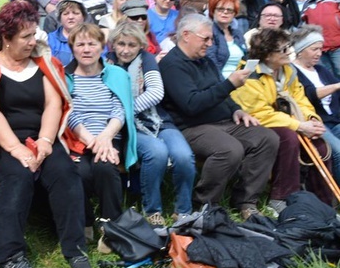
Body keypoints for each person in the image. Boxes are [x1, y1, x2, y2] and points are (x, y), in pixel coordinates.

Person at [0, 0, 90, 268]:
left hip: (42, 136)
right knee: (16, 177)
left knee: (65, 172)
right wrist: (16, 148)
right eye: (26, 37)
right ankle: (8, 258)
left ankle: (75, 247)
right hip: (7, 141)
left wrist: (45, 141)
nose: (33, 41)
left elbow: (52, 103)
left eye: (34, 34)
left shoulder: (42, 63)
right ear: (6, 39)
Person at [159, 14, 279, 220]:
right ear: (186, 35)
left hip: (223, 121)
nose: (210, 43)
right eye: (205, 38)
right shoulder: (172, 65)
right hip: (192, 127)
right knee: (229, 149)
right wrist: (229, 84)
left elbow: (222, 93)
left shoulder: (205, 60)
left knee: (267, 138)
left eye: (211, 38)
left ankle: (246, 201)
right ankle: (204, 205)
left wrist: (237, 109)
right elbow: (191, 105)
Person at [231, 28, 334, 212]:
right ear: (268, 55)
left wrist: (312, 119)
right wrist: (299, 125)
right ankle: (282, 197)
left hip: (285, 120)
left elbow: (301, 99)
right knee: (288, 137)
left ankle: (324, 205)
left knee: (319, 144)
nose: (289, 52)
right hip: (253, 124)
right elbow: (260, 113)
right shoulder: (249, 73)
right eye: (283, 49)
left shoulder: (287, 70)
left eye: (288, 47)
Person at [107, 21, 195, 223]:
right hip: (129, 126)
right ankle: (152, 209)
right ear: (114, 45)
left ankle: (183, 210)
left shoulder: (146, 60)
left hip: (157, 119)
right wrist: (125, 116)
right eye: (121, 44)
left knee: (183, 155)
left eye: (132, 45)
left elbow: (156, 92)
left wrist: (128, 109)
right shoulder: (109, 63)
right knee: (156, 152)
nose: (126, 50)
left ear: (140, 45)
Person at [64, 23, 136, 231]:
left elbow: (120, 109)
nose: (86, 49)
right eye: (81, 44)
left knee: (105, 168)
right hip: (78, 138)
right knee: (80, 171)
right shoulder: (65, 76)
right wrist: (93, 141)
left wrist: (105, 137)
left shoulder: (116, 74)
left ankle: (112, 226)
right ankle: (84, 222)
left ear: (102, 47)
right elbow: (69, 112)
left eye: (92, 44)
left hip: (110, 135)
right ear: (73, 48)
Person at [291, 25, 340, 182]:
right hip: (315, 122)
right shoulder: (292, 71)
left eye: (320, 49)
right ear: (300, 50)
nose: (319, 53)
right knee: (338, 152)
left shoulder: (320, 69)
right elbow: (309, 95)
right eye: (314, 49)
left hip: (334, 120)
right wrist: (336, 86)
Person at [301, 0, 340, 78]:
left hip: (338, 47)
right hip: (319, 50)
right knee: (327, 79)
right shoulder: (307, 2)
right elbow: (302, 25)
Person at [206, 0, 247, 78]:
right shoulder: (208, 33)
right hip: (220, 84)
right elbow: (212, 66)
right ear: (213, 11)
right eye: (220, 9)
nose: (225, 12)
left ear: (234, 14)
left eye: (229, 10)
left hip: (242, 82)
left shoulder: (238, 34)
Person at [47, 0, 87, 66]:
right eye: (66, 14)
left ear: (83, 16)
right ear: (60, 18)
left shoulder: (94, 37)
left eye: (75, 13)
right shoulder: (50, 39)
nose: (70, 17)